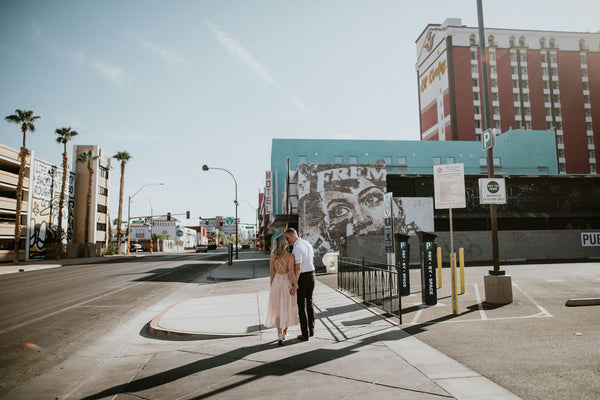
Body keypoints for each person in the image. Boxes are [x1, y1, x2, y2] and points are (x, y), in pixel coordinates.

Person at [264, 235, 299, 345]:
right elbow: (291, 272)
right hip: (286, 283)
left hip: (276, 283)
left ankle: (279, 335)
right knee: (287, 308)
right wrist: (296, 284)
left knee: (278, 310)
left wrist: (272, 287)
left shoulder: (273, 257)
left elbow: (272, 274)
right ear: (285, 244)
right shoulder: (290, 256)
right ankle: (284, 333)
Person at [285, 227, 315, 341]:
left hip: (302, 277)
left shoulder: (297, 248)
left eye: (287, 238)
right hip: (312, 275)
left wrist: (295, 283)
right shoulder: (307, 243)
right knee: (310, 303)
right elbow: (311, 260)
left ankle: (304, 334)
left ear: (292, 235)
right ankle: (311, 330)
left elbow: (298, 267)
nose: (287, 241)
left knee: (301, 306)